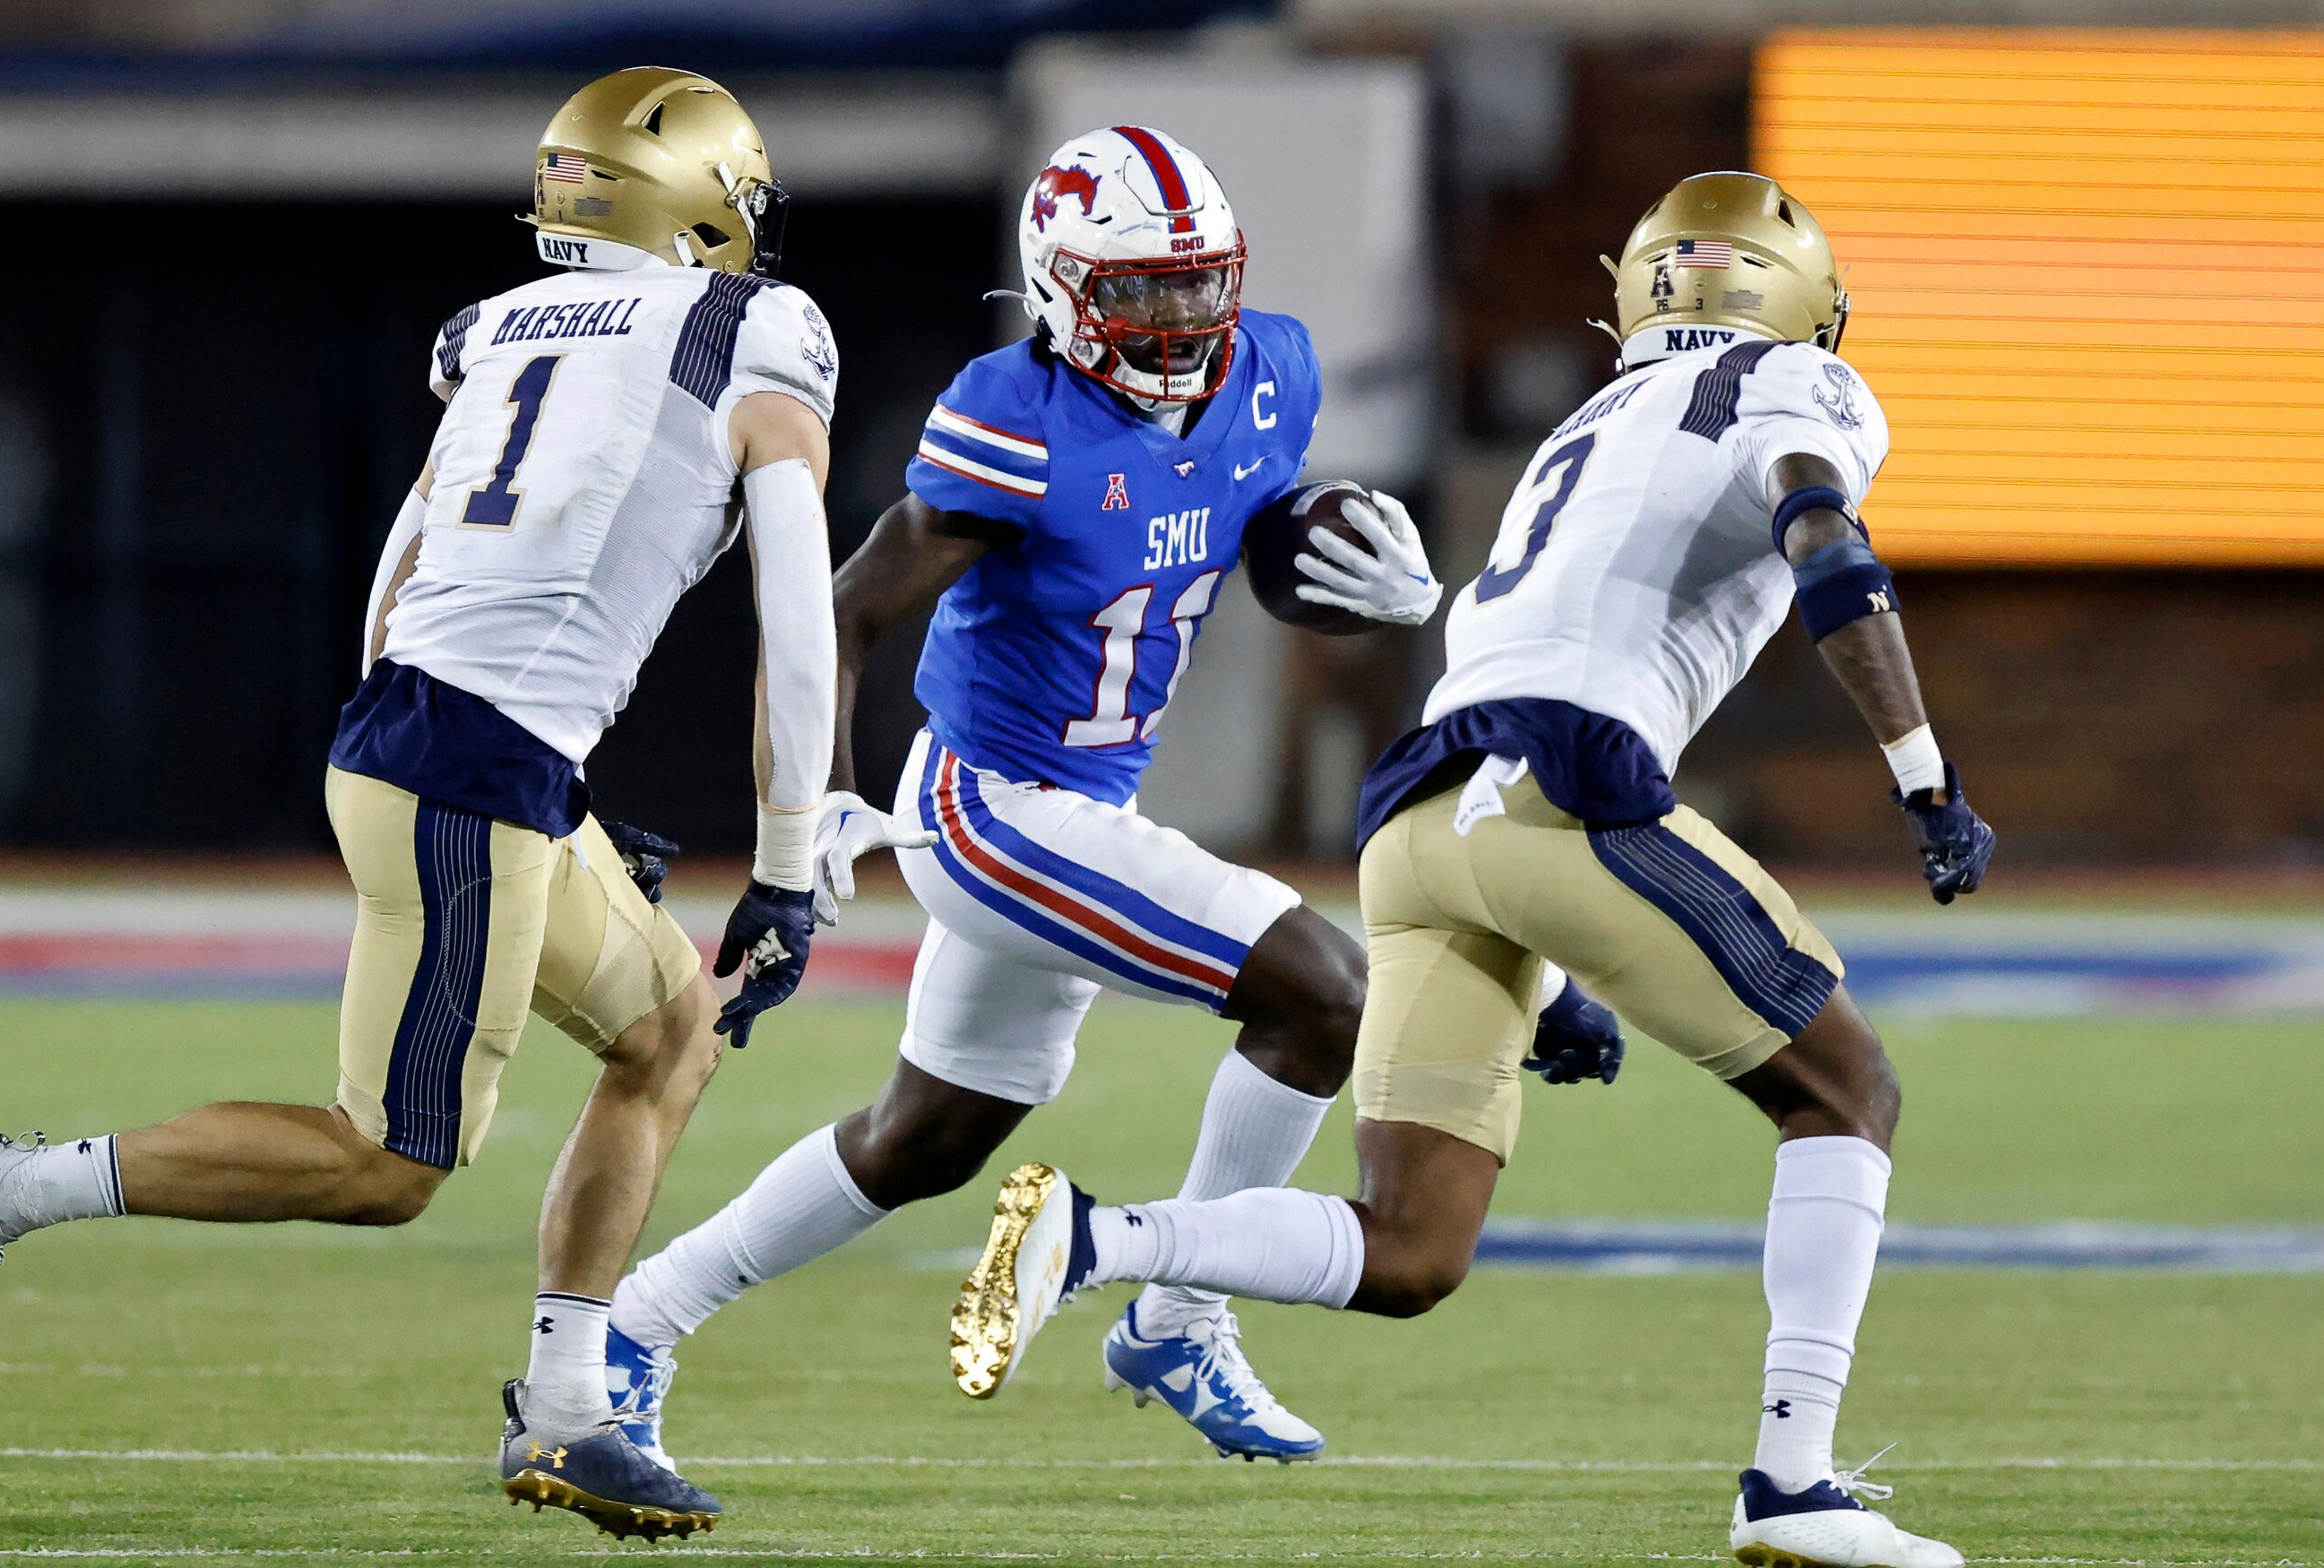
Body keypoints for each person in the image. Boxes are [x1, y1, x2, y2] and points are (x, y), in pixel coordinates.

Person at [953, 172, 1996, 1568]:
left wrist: (1547, 965)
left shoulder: (1590, 418)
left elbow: (1521, 657)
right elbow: (1827, 542)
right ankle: (1792, 1475)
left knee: (1413, 1246)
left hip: (1422, 809)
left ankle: (1101, 1237)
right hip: (1565, 785)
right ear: (1802, 300)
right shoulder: (1800, 386)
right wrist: (1925, 775)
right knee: (1844, 1088)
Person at [0, 67, 852, 1544]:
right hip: (470, 768)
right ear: (701, 205)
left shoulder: (503, 327)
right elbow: (798, 617)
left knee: (669, 1028)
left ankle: (573, 1413)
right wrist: (786, 859)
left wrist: (541, 794)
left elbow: (398, 583)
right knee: (386, 1166)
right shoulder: (753, 327)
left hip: (441, 741)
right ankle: (0, 1187)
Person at [601, 125, 1594, 1482]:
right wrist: (819, 802)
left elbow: (1245, 513)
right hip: (992, 804)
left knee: (924, 1139)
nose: (1182, 319)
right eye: (1144, 289)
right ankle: (1182, 1309)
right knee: (1327, 994)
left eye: (1201, 284)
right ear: (1062, 288)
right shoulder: (1016, 413)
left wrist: (1338, 555)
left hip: (1082, 802)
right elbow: (839, 611)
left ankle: (642, 1316)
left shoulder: (1269, 374)